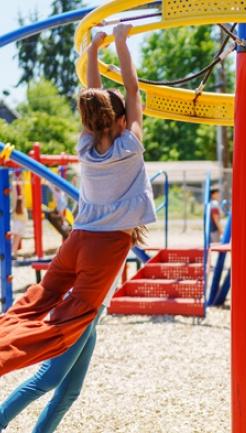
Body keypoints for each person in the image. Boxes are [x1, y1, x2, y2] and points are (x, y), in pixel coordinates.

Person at [0, 23, 155, 377]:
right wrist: (117, 43)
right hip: (106, 243)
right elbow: (130, 89)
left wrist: (99, 48)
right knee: (70, 319)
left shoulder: (86, 147)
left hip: (79, 237)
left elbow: (102, 92)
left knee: (38, 299)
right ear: (120, 120)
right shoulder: (129, 148)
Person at [0, 274, 123, 433]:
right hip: (78, 310)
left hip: (91, 315)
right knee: (48, 378)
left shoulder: (122, 248)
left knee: (69, 392)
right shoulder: (112, 247)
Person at [9, 176, 27, 255]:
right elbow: (22, 194)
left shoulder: (15, 206)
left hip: (16, 224)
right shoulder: (23, 207)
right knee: (16, 240)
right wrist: (21, 183)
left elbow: (15, 195)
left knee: (13, 239)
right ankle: (14, 253)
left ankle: (12, 252)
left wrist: (14, 182)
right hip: (22, 225)